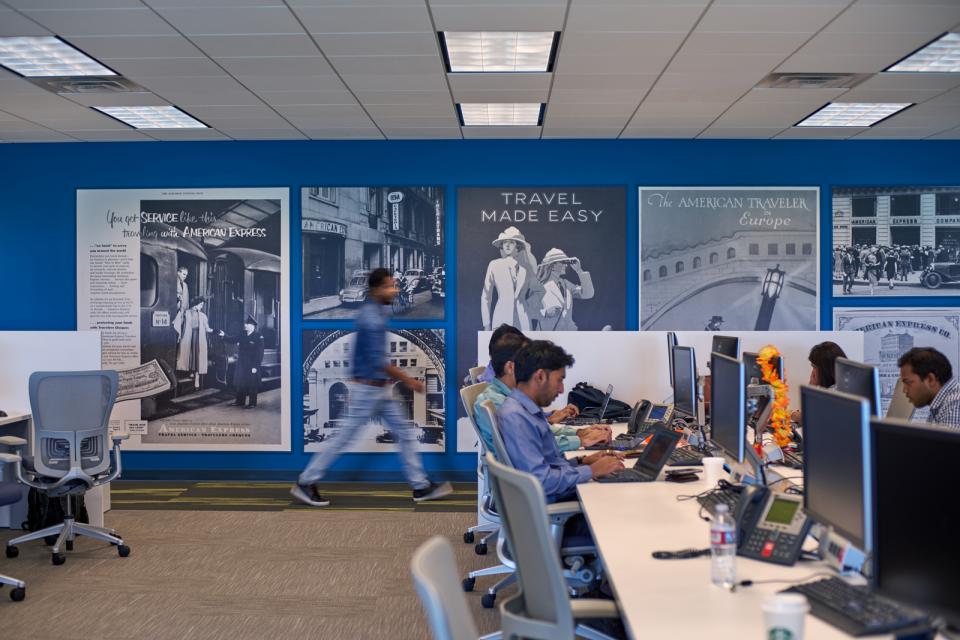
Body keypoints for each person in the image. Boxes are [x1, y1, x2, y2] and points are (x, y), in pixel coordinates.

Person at [292, 268, 452, 506]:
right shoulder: (372, 319)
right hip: (368, 391)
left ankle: (420, 486)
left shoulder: (375, 311)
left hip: (377, 388)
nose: (395, 290)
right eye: (390, 286)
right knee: (342, 439)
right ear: (376, 289)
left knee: (403, 434)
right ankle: (306, 482)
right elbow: (378, 361)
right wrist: (408, 380)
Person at [497, 340, 624, 503]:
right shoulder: (517, 418)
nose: (562, 389)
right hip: (553, 507)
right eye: (559, 380)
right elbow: (540, 481)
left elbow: (550, 465)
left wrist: (582, 461)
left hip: (559, 495)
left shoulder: (527, 411)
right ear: (540, 377)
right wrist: (591, 471)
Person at [473, 332, 611, 454]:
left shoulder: (514, 397)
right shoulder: (498, 403)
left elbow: (541, 431)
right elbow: (533, 445)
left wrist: (579, 433)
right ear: (510, 367)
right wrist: (580, 440)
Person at [480, 227, 542, 332]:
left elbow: (539, 290)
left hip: (523, 321)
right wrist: (486, 324)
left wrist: (527, 304)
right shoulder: (494, 265)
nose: (507, 245)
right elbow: (486, 296)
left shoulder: (526, 268)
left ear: (518, 246)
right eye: (505, 242)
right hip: (501, 319)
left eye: (511, 242)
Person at [897, 347, 960, 431]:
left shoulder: (955, 405)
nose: (904, 390)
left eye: (908, 383)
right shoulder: (940, 404)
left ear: (930, 379)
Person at [536, 248, 594, 331]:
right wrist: (545, 313)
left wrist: (579, 271)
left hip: (568, 332)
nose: (566, 265)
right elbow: (528, 307)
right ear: (553, 266)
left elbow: (587, 294)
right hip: (548, 332)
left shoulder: (566, 284)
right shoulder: (540, 285)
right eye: (563, 262)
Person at [790, 341, 847, 423]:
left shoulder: (833, 394)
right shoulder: (845, 384)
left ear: (826, 370)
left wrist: (811, 388)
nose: (813, 372)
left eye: (814, 367)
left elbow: (811, 419)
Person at [220, 316, 264, 409]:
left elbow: (260, 353)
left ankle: (252, 403)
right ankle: (240, 401)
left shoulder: (258, 336)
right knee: (240, 382)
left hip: (252, 363)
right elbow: (232, 339)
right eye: (245, 323)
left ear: (252, 326)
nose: (245, 325)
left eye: (247, 324)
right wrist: (224, 336)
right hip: (242, 363)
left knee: (252, 383)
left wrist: (255, 366)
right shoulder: (243, 334)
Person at [177, 296, 214, 388]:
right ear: (195, 304)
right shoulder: (186, 313)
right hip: (188, 336)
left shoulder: (203, 316)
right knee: (189, 354)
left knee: (197, 355)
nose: (201, 306)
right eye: (200, 304)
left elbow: (207, 329)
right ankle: (191, 371)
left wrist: (215, 331)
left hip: (199, 337)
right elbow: (180, 323)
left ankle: (197, 377)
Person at [173, 265, 190, 345]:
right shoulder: (173, 282)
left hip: (182, 312)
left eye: (186, 275)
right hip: (175, 312)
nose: (185, 276)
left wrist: (186, 311)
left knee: (180, 335)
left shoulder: (185, 285)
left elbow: (186, 299)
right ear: (178, 272)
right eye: (183, 274)